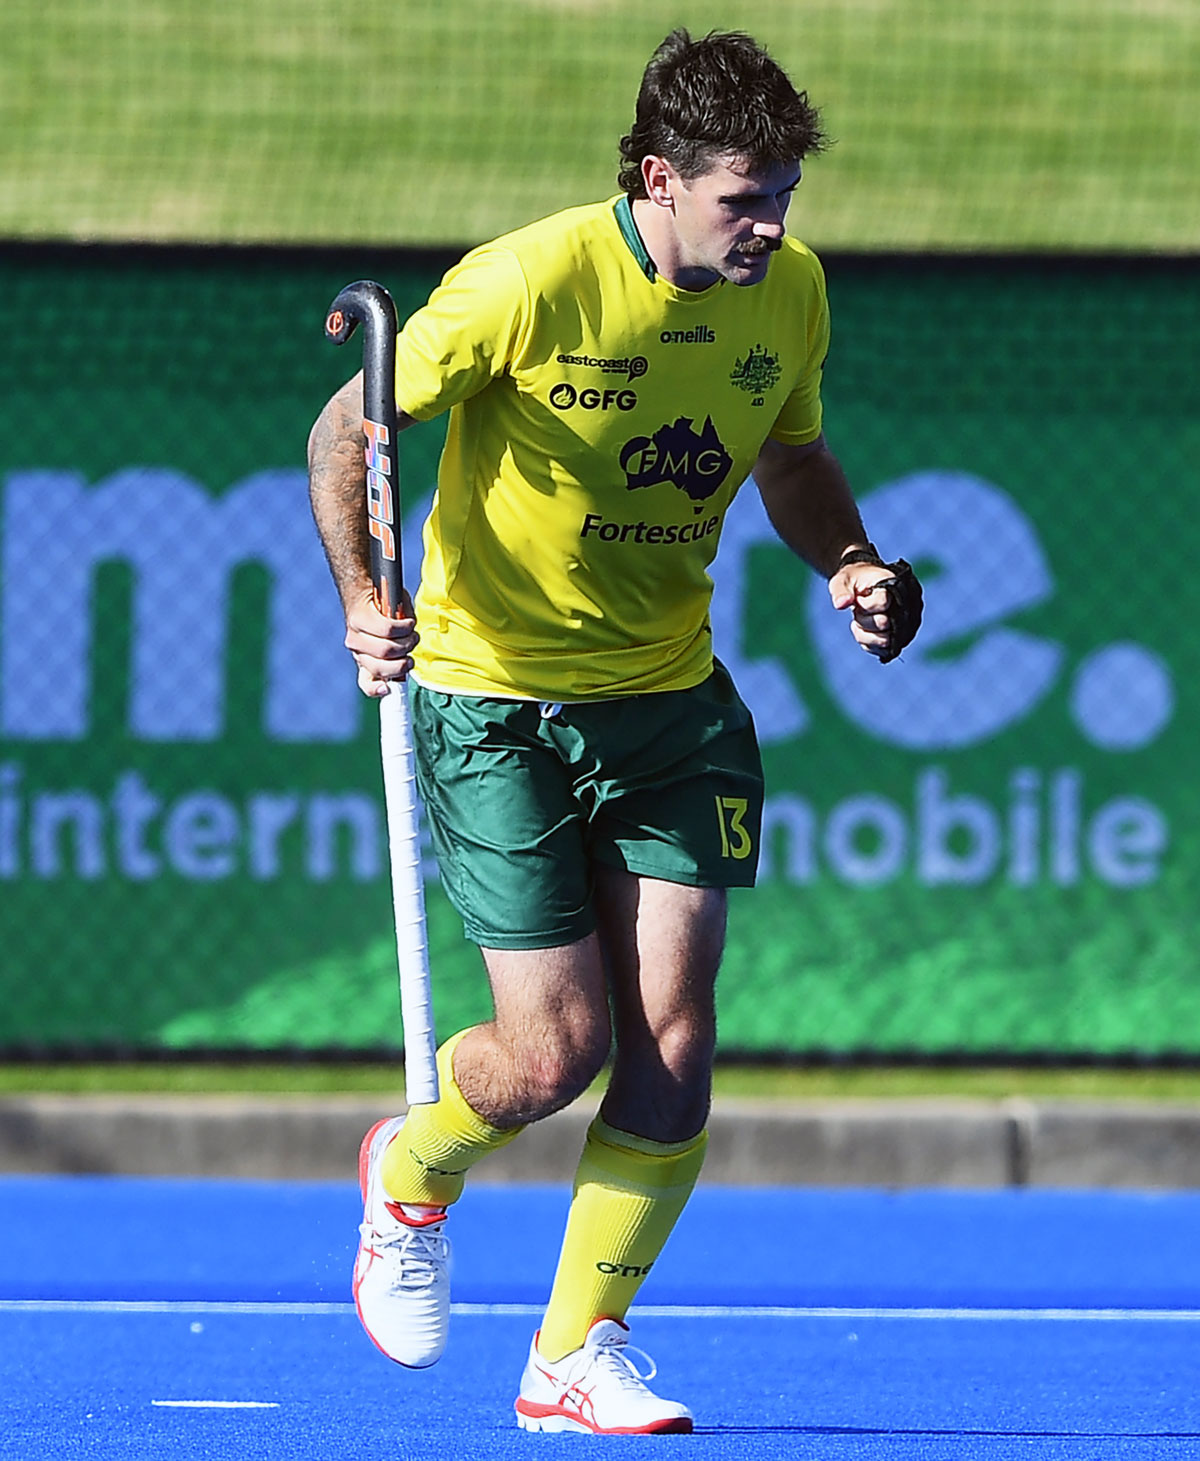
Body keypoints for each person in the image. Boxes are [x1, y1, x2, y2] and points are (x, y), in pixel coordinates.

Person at [307, 27, 922, 1436]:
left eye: (784, 199)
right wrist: (365, 594)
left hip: (669, 697)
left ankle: (574, 1347)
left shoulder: (792, 293)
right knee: (552, 1053)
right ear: (656, 175)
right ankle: (412, 1167)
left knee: (674, 1033)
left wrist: (849, 565)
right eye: (743, 199)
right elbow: (348, 435)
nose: (771, 227)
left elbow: (793, 453)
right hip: (494, 697)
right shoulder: (525, 282)